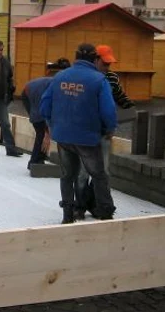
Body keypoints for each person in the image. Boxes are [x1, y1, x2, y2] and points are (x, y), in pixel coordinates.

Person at [40, 43, 117, 224]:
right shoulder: (99, 80)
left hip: (63, 137)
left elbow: (45, 104)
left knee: (67, 175)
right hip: (87, 138)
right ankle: (106, 213)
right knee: (99, 175)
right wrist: (110, 128)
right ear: (94, 59)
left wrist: (51, 124)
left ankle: (68, 214)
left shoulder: (60, 76)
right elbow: (108, 110)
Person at [75, 44, 134, 220]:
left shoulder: (112, 78)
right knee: (83, 172)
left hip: (104, 134)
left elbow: (120, 97)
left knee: (103, 172)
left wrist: (130, 108)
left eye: (109, 64)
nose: (107, 67)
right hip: (85, 133)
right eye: (105, 63)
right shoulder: (86, 78)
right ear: (95, 60)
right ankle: (79, 206)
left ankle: (95, 204)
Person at [20, 58, 71, 170]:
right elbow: (45, 109)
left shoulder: (61, 85)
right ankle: (34, 162)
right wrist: (48, 132)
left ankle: (40, 158)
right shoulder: (55, 87)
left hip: (37, 94)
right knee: (41, 131)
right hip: (30, 95)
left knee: (44, 130)